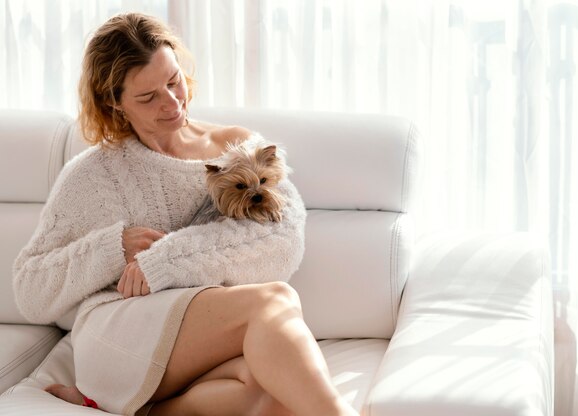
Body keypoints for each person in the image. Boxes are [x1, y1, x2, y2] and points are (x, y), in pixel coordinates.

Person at [12, 12, 359, 416]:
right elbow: (30, 290)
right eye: (148, 97)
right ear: (114, 102)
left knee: (272, 393)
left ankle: (141, 410)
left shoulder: (236, 146)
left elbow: (284, 241)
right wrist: (112, 247)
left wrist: (164, 260)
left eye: (174, 81)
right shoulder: (94, 174)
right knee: (275, 300)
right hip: (119, 332)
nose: (173, 102)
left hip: (205, 330)